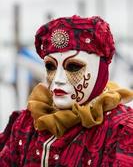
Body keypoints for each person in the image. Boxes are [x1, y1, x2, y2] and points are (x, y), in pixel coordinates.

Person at [0, 15, 133, 167]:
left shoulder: (123, 132)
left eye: (73, 67)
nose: (58, 79)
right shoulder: (26, 123)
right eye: (50, 67)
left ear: (100, 71)